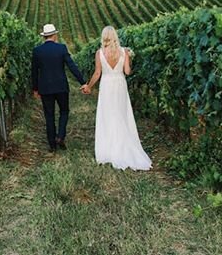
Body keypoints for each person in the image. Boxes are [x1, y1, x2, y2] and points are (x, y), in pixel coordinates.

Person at [84, 26, 152, 170]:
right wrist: (129, 60)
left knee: (108, 115)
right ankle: (123, 146)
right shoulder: (124, 52)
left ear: (103, 37)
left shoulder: (99, 53)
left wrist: (89, 86)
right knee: (121, 114)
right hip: (120, 84)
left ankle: (108, 150)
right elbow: (127, 71)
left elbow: (97, 73)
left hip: (107, 84)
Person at [32, 23, 89, 153]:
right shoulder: (62, 48)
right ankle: (61, 136)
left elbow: (34, 72)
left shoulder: (37, 51)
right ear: (55, 35)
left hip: (45, 88)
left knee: (49, 115)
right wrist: (83, 82)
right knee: (64, 111)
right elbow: (72, 66)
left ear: (44, 37)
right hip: (61, 86)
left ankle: (52, 144)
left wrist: (35, 89)